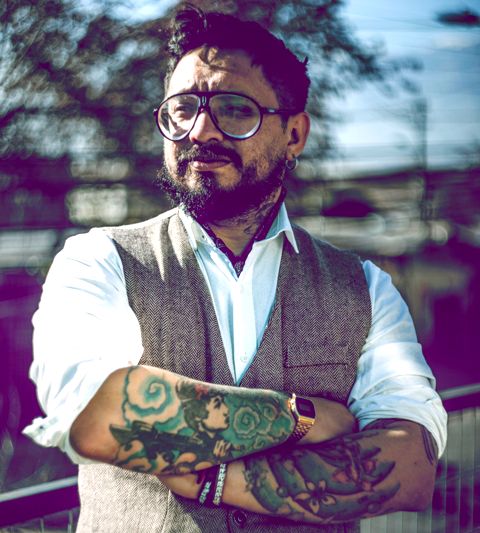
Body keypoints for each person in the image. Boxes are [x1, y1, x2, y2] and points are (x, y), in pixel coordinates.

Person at [24, 6, 447, 532]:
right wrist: (305, 418)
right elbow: (96, 415)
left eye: (234, 109)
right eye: (182, 109)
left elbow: (410, 468)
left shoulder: (364, 288)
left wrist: (213, 480)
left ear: (294, 134)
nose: (200, 131)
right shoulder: (98, 260)